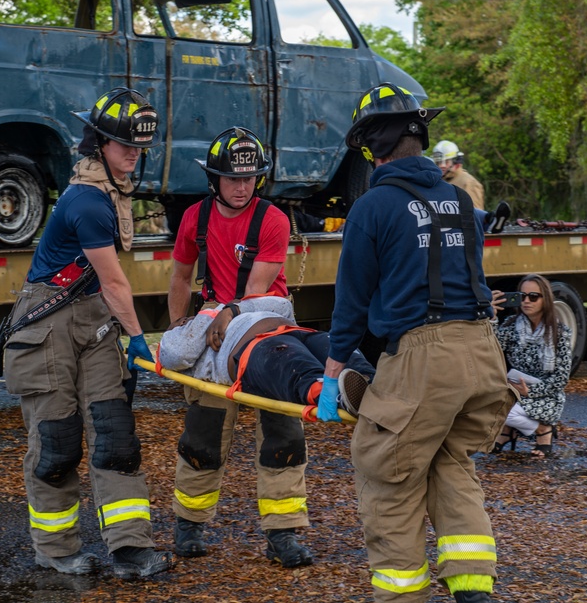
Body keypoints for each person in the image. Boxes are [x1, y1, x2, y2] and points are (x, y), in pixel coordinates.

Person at [318, 83, 516, 603]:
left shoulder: (373, 206)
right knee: (450, 462)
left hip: (424, 358)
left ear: (370, 148)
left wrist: (332, 373)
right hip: (482, 354)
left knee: (387, 472)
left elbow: (352, 301)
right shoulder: (458, 201)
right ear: (420, 137)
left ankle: (403, 595)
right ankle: (474, 590)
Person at [2, 87, 172, 580]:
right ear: (97, 144)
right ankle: (55, 550)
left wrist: (117, 328)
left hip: (92, 317)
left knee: (115, 437)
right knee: (57, 443)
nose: (133, 155)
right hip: (48, 322)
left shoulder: (107, 194)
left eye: (139, 147)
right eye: (125, 146)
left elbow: (106, 287)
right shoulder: (88, 202)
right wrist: (137, 337)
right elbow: (116, 280)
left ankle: (130, 549)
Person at [166, 127, 314, 569]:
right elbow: (179, 277)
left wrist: (226, 314)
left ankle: (283, 534)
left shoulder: (272, 219)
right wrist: (179, 328)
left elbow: (256, 292)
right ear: (214, 179)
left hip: (265, 325)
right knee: (204, 432)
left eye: (249, 178)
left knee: (283, 433)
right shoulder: (196, 217)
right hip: (212, 323)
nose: (242, 186)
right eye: (232, 178)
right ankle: (189, 523)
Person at [158, 294, 374, 413]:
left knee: (348, 357)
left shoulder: (230, 312)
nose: (183, 320)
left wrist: (232, 310)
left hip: (300, 334)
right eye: (178, 323)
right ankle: (337, 398)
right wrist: (207, 315)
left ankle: (376, 387)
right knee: (298, 370)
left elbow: (281, 305)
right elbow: (178, 353)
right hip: (255, 347)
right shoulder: (186, 335)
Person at [491, 275, 573, 457]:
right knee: (489, 406)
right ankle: (508, 431)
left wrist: (530, 392)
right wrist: (492, 316)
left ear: (546, 299)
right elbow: (492, 347)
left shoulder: (560, 333)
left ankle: (544, 430)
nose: (527, 301)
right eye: (522, 296)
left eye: (533, 296)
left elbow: (560, 379)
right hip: (515, 390)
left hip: (546, 396)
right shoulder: (512, 326)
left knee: (507, 413)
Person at [432, 139, 485, 210]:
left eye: (446, 161)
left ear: (455, 161)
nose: (441, 165)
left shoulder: (469, 183)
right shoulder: (440, 181)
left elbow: (476, 215)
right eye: (438, 162)